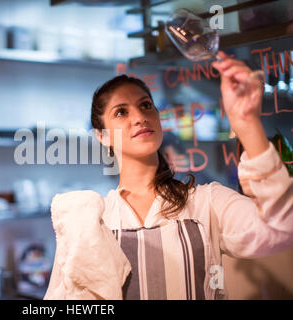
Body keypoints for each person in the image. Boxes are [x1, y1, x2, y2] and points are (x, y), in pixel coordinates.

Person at [44, 51, 293, 300]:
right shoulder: (89, 220)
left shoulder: (207, 203)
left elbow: (281, 228)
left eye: (145, 106)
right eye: (121, 112)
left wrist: (247, 124)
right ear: (103, 136)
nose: (140, 117)